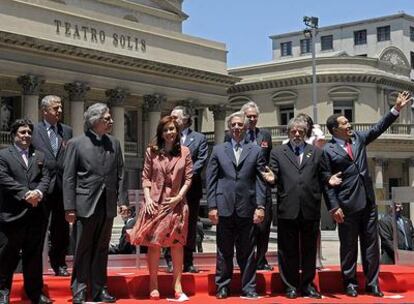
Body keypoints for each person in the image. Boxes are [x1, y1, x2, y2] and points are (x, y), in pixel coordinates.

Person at [323, 90, 412, 298]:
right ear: (335, 129)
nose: (350, 125)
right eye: (345, 123)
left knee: (372, 245)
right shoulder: (327, 151)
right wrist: (333, 207)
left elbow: (377, 128)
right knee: (348, 246)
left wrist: (396, 109)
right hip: (346, 206)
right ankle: (350, 283)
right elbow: (328, 182)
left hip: (368, 203)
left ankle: (372, 283)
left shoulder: (358, 139)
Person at [63, 103, 128, 304]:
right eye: (107, 118)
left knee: (102, 248)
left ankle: (100, 289)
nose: (112, 121)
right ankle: (80, 290)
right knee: (82, 248)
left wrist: (123, 201)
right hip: (84, 205)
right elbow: (69, 178)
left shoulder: (115, 144)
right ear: (95, 120)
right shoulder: (76, 143)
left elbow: (120, 175)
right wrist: (69, 207)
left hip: (107, 205)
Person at [127, 116, 193, 302]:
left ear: (177, 131)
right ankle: (153, 284)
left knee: (176, 245)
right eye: (166, 130)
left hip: (176, 203)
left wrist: (179, 197)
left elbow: (189, 178)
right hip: (155, 203)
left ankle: (177, 285)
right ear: (161, 133)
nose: (169, 132)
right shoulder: (152, 151)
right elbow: (145, 177)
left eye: (172, 129)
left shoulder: (185, 152)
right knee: (154, 244)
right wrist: (147, 199)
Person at [207, 111, 266, 300]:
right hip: (224, 206)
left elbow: (260, 181)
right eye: (233, 125)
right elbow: (211, 180)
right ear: (229, 127)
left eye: (240, 125)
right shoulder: (218, 150)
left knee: (248, 251)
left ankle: (248, 287)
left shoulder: (255, 150)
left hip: (247, 207)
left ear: (246, 127)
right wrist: (211, 206)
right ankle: (222, 286)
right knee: (223, 250)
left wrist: (260, 206)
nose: (237, 128)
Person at [268, 117, 328, 299]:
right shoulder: (278, 152)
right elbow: (274, 174)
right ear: (288, 132)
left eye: (300, 131)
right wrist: (272, 179)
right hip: (288, 208)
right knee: (287, 250)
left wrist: (329, 180)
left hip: (310, 207)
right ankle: (290, 285)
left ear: (305, 133)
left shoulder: (316, 152)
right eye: (293, 131)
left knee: (309, 249)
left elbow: (324, 174)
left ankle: (308, 284)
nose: (296, 134)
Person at [0, 119, 52, 304]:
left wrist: (37, 192)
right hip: (12, 215)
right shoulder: (3, 155)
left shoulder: (40, 155)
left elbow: (46, 178)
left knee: (34, 256)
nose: (26, 136)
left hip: (36, 214)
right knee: (7, 255)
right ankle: (3, 292)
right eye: (22, 132)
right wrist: (24, 194)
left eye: (29, 132)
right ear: (14, 134)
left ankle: (35, 293)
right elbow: (3, 178)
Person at [163, 105, 208, 273]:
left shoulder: (199, 138)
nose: (172, 120)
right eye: (171, 116)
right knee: (171, 224)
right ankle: (170, 259)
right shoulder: (167, 136)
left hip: (191, 189)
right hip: (170, 190)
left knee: (189, 225)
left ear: (186, 120)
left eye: (176, 117)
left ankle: (188, 261)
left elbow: (201, 161)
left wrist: (184, 175)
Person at [31, 95, 72, 277]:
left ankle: (59, 263)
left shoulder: (67, 131)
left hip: (62, 186)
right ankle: (34, 264)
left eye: (61, 108)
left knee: (61, 228)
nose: (60, 111)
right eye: (56, 108)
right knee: (38, 227)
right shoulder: (33, 131)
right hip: (42, 185)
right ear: (45, 111)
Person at [241, 102, 274, 271]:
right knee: (246, 226)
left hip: (262, 186)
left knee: (264, 225)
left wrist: (272, 176)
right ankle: (245, 259)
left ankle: (261, 259)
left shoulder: (265, 135)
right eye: (249, 116)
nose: (252, 119)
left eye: (255, 116)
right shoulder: (236, 135)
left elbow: (270, 160)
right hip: (244, 187)